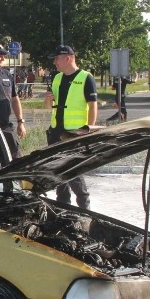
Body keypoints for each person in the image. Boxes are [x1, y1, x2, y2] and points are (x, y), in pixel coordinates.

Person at [43, 45, 98, 209]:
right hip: (55, 133)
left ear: (68, 58)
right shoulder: (57, 78)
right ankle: (63, 208)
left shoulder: (86, 78)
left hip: (75, 134)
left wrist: (89, 130)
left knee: (73, 171)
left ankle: (84, 209)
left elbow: (93, 106)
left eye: (57, 58)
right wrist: (47, 100)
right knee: (59, 173)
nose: (54, 62)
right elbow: (49, 107)